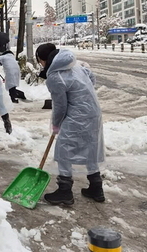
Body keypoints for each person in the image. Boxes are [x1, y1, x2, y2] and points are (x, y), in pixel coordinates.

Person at [36, 43, 105, 205]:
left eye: (39, 60)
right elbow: (91, 76)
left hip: (77, 116)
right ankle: (96, 187)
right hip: (93, 112)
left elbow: (60, 106)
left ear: (43, 59)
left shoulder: (55, 77)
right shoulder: (73, 64)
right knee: (91, 147)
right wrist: (82, 94)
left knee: (63, 150)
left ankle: (65, 191)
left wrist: (56, 125)